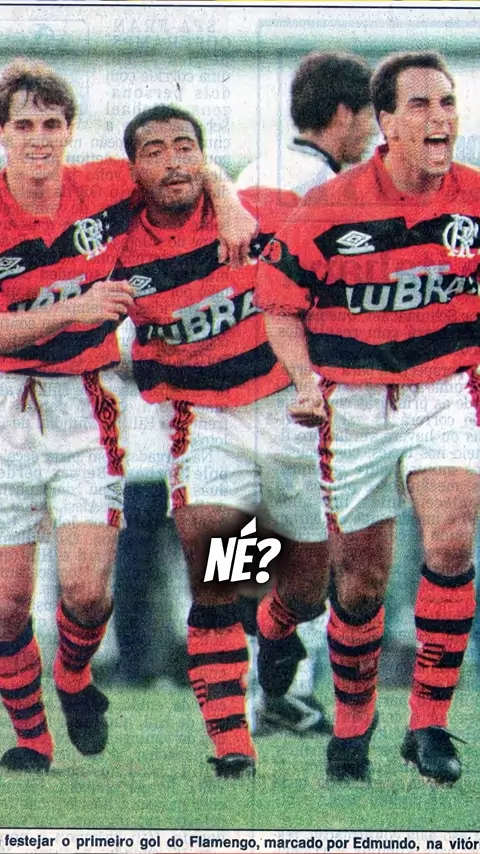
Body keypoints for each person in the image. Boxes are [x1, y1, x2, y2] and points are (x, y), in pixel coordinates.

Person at [0, 58, 255, 773]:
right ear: (4, 134)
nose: (40, 138)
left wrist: (229, 200)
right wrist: (76, 309)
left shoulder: (105, 185)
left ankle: (75, 678)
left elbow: (183, 167)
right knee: (7, 605)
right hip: (5, 406)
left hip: (83, 401)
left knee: (87, 593)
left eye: (52, 124)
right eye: (25, 125)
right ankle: (33, 740)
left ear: (70, 130)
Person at [256, 50, 479, 786]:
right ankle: (352, 727)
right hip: (352, 404)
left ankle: (429, 723)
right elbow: (279, 302)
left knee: (451, 539)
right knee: (359, 583)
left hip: (442, 391)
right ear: (385, 122)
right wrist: (303, 380)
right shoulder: (331, 205)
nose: (439, 118)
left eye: (447, 103)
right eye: (420, 105)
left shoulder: (474, 199)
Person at [115, 104, 331, 778]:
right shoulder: (118, 244)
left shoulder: (263, 208)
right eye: (154, 151)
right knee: (214, 576)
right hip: (204, 419)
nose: (172, 161)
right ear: (133, 169)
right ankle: (232, 743)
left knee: (310, 588)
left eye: (186, 147)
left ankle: (276, 628)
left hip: (287, 409)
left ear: (204, 158)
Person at [236, 51, 374, 735]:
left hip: (243, 390)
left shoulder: (252, 171)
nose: (373, 132)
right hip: (301, 391)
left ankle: (257, 695)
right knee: (320, 550)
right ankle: (281, 693)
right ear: (344, 113)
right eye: (370, 115)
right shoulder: (328, 190)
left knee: (259, 552)